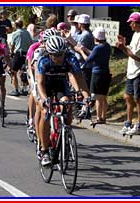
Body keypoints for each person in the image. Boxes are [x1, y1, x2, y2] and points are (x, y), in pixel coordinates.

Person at [37, 35, 90, 166]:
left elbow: (80, 79)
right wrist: (44, 99)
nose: (59, 58)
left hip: (60, 83)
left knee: (67, 102)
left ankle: (65, 132)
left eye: (61, 54)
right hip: (46, 85)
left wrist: (86, 96)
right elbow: (40, 83)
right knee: (45, 112)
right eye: (55, 55)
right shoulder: (43, 60)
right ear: (49, 53)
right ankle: (44, 151)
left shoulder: (71, 59)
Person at [116, 12, 140, 136]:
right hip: (131, 72)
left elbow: (137, 57)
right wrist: (125, 45)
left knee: (137, 98)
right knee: (128, 97)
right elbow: (131, 50)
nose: (130, 25)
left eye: (131, 22)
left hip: (138, 71)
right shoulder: (135, 34)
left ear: (137, 23)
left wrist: (123, 48)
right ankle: (128, 122)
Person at [75, 27, 112, 123]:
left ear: (96, 38)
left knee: (98, 97)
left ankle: (99, 117)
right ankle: (103, 117)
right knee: (103, 96)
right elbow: (94, 54)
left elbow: (88, 59)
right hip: (106, 73)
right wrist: (86, 49)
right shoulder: (107, 46)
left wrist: (81, 51)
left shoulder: (97, 48)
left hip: (97, 73)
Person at [9, 19, 33, 96]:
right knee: (23, 71)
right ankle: (24, 88)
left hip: (18, 53)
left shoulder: (15, 33)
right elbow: (31, 43)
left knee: (13, 71)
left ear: (16, 25)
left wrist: (11, 53)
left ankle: (16, 90)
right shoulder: (27, 33)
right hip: (26, 54)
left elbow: (12, 45)